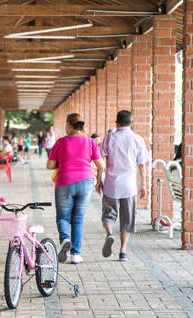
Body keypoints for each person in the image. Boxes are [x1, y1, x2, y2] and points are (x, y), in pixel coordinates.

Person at [47, 113, 104, 265]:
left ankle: (65, 239)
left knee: (63, 217)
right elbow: (101, 165)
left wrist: (64, 162)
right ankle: (76, 255)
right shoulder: (90, 142)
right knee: (78, 218)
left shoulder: (61, 142)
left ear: (70, 126)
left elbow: (50, 165)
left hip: (65, 180)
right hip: (85, 182)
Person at [97, 110, 149, 262]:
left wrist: (99, 181)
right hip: (129, 185)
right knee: (127, 218)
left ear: (117, 123)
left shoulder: (109, 138)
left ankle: (109, 233)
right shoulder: (137, 139)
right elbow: (142, 166)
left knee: (108, 214)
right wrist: (143, 185)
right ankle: (123, 251)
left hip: (111, 183)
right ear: (132, 123)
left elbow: (101, 162)